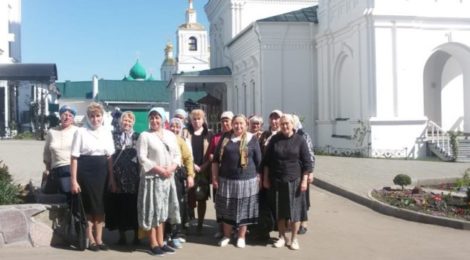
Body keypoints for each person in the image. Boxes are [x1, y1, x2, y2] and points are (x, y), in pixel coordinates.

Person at [262, 114, 313, 250]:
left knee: (295, 213)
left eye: (287, 123)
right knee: (280, 212)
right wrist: (266, 178)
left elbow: (307, 163)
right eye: (282, 123)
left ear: (293, 125)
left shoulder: (300, 140)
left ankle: (294, 239)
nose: (285, 126)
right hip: (277, 181)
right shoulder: (275, 140)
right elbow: (266, 161)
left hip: (295, 181)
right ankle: (281, 237)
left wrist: (304, 181)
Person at [70, 102, 115, 251]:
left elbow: (109, 157)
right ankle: (91, 240)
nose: (95, 119)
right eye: (92, 116)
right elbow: (74, 157)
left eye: (98, 116)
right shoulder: (80, 132)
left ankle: (100, 239)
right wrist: (73, 180)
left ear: (102, 117)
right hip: (86, 171)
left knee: (100, 207)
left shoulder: (107, 132)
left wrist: (111, 178)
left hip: (102, 171)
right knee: (89, 208)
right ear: (88, 117)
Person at [212, 114, 262, 248]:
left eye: (241, 124)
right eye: (236, 123)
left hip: (247, 181)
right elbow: (216, 160)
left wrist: (260, 178)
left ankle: (241, 236)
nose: (238, 126)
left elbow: (259, 162)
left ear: (246, 125)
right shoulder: (225, 138)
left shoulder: (252, 139)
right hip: (226, 180)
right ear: (232, 124)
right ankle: (227, 235)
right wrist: (215, 178)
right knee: (227, 208)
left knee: (244, 208)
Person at [136, 107, 181, 256]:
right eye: (152, 117)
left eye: (157, 117)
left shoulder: (169, 135)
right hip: (152, 179)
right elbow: (142, 158)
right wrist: (160, 170)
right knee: (152, 211)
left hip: (167, 179)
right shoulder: (145, 135)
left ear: (163, 119)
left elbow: (176, 155)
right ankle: (153, 243)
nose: (154, 120)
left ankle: (162, 242)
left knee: (162, 211)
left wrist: (171, 168)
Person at [105, 111, 140, 245]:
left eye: (130, 121)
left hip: (134, 176)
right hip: (118, 176)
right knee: (119, 205)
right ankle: (122, 235)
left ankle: (137, 235)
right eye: (125, 120)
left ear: (133, 123)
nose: (127, 123)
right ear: (120, 122)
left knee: (134, 205)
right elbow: (109, 155)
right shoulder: (113, 136)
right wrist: (111, 179)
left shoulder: (138, 136)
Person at [250, 109, 283, 242]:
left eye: (277, 118)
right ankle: (264, 231)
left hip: (279, 175)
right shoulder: (264, 135)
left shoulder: (284, 134)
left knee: (279, 205)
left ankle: (281, 233)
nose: (274, 121)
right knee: (264, 204)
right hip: (265, 174)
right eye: (272, 118)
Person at [166, 117, 195, 248]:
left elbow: (188, 159)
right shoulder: (163, 137)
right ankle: (166, 234)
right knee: (165, 205)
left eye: (177, 127)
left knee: (177, 204)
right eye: (172, 126)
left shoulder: (181, 141)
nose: (174, 129)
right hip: (164, 174)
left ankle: (177, 233)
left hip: (177, 175)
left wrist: (190, 176)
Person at [184, 109, 213, 234]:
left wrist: (205, 165)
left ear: (203, 120)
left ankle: (200, 224)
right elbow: (183, 151)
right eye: (194, 119)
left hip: (203, 170)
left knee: (201, 199)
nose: (196, 121)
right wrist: (192, 165)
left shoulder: (209, 134)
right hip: (189, 170)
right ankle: (187, 223)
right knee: (188, 198)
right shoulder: (186, 132)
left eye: (199, 119)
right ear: (191, 120)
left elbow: (212, 153)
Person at [207, 110, 234, 239]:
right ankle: (220, 229)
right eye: (222, 121)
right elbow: (210, 154)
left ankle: (233, 229)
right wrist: (212, 156)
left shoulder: (236, 137)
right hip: (218, 174)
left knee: (232, 203)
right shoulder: (216, 137)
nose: (224, 123)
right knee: (218, 203)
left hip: (233, 176)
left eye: (227, 120)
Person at [43, 105, 78, 196]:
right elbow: (47, 153)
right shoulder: (52, 132)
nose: (67, 118)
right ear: (60, 116)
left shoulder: (77, 131)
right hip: (56, 169)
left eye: (70, 116)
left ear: (73, 119)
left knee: (69, 194)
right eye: (65, 115)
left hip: (71, 168)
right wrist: (47, 169)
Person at [292, 115, 315, 235]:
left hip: (303, 172)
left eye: (293, 122)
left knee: (304, 198)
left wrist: (310, 172)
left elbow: (310, 155)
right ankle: (294, 221)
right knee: (295, 198)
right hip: (292, 172)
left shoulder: (304, 135)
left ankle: (304, 223)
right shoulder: (289, 135)